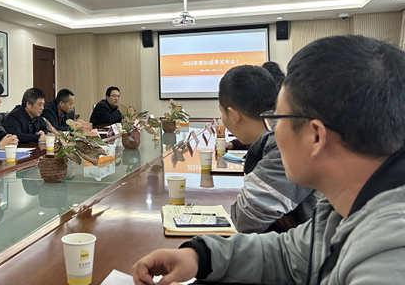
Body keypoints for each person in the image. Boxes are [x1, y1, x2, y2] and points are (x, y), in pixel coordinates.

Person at [133, 35, 405, 285]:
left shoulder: (388, 257)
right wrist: (201, 257)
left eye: (277, 119)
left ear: (316, 137)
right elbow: (288, 256)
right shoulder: (340, 210)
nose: (271, 132)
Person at [218, 65, 317, 233]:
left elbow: (244, 219)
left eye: (222, 113)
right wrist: (276, 207)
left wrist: (273, 207)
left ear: (234, 115)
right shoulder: (279, 131)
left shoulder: (287, 139)